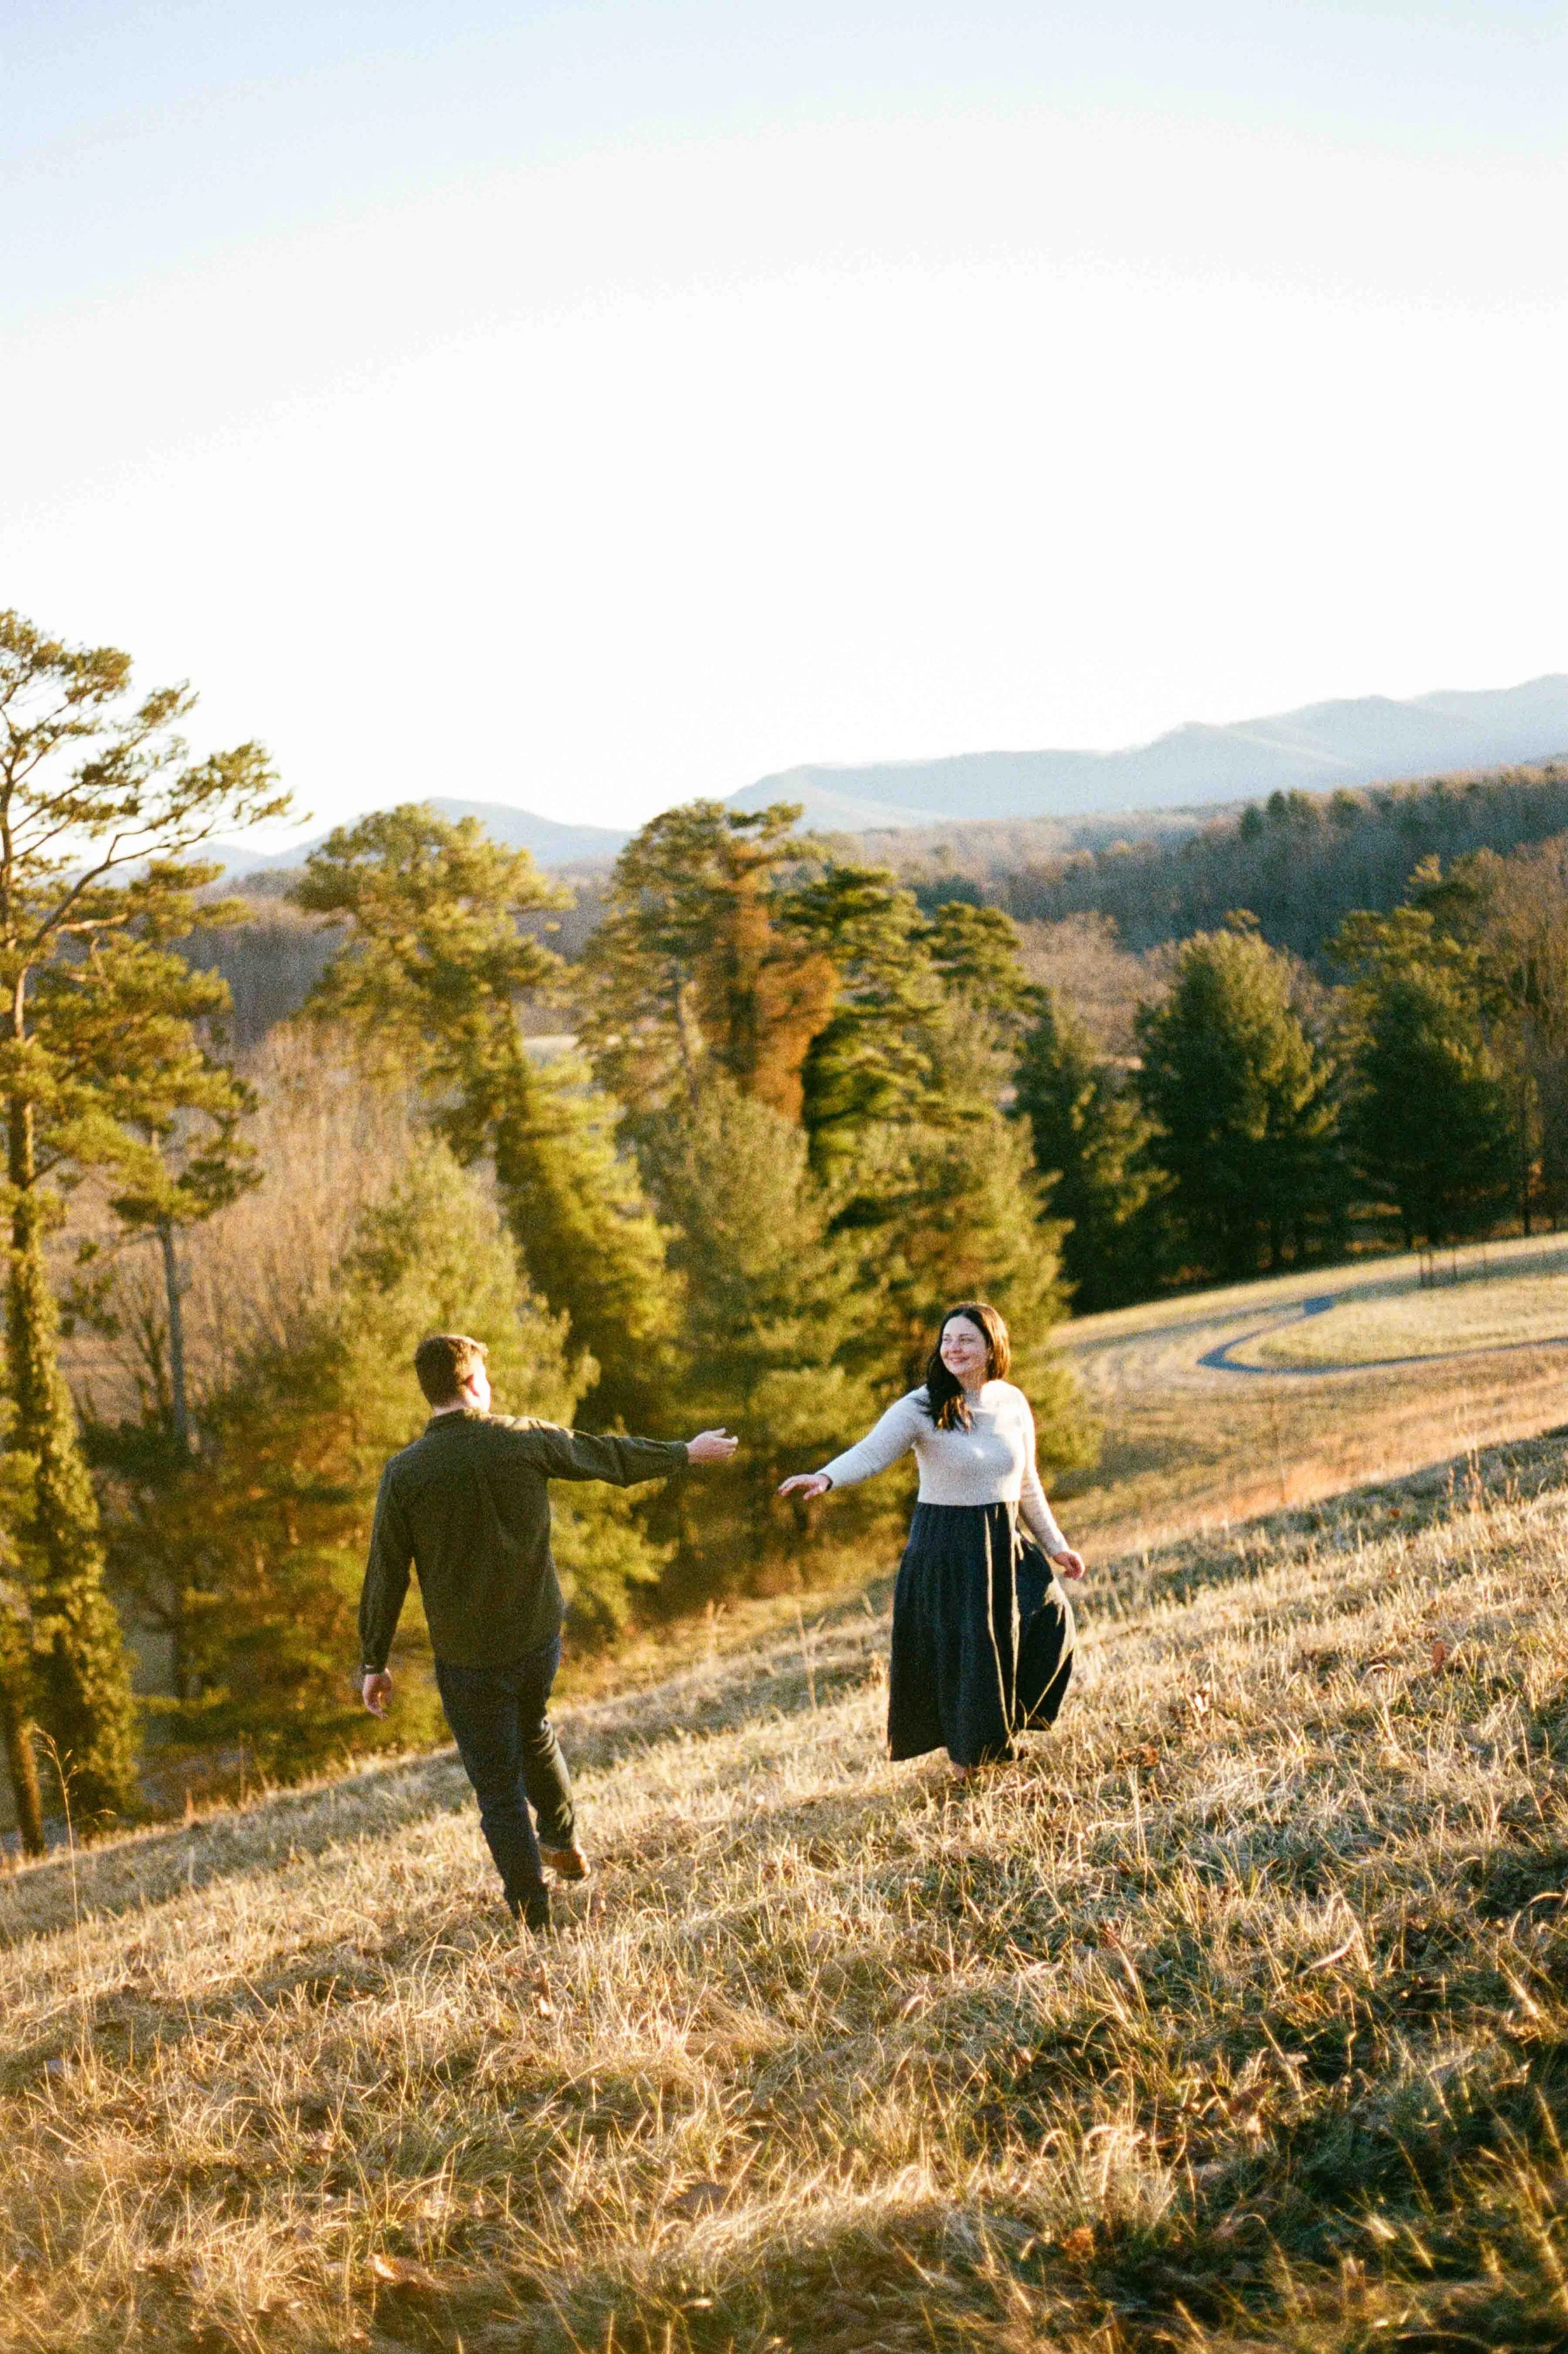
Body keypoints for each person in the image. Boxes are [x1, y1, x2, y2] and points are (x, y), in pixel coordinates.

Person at [357, 1332, 738, 1933]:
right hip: (537, 1641)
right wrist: (684, 1452)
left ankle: (534, 1914)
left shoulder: (404, 1474)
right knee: (533, 1726)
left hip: (467, 1657)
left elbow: (386, 1573)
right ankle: (560, 1837)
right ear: (473, 1383)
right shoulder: (523, 1438)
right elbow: (606, 1457)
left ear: (431, 1391)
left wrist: (373, 1661)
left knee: (498, 1791)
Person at [778, 1302, 1084, 1778]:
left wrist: (1056, 1545)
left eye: (966, 1340)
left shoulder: (1012, 1403)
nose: (954, 1349)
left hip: (1002, 1539)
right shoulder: (922, 1406)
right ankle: (969, 1766)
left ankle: (1000, 1730)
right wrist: (827, 1477)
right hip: (946, 1547)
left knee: (1052, 1620)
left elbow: (1027, 1484)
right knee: (971, 1655)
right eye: (947, 1340)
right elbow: (872, 1453)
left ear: (992, 1347)